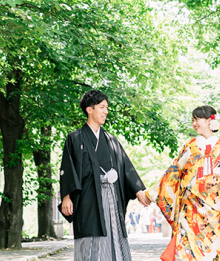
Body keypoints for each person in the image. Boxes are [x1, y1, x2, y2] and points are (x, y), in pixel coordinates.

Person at [59, 89, 151, 261]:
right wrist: (66, 196)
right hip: (87, 198)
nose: (106, 111)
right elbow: (67, 168)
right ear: (89, 109)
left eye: (106, 107)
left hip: (110, 199)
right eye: (102, 107)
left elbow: (126, 167)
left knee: (113, 237)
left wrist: (139, 190)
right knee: (89, 237)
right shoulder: (75, 138)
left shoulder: (111, 140)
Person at [153, 106, 220, 261]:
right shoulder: (189, 146)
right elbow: (173, 173)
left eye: (197, 119)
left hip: (216, 212)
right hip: (190, 210)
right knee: (187, 251)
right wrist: (150, 193)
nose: (194, 123)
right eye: (193, 119)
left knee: (215, 250)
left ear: (210, 120)